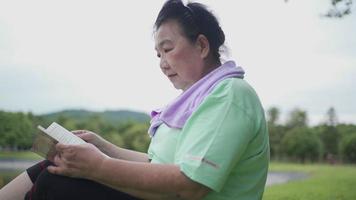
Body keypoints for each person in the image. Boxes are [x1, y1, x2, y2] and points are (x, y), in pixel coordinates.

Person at [0, 0, 269, 199]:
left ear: (201, 45)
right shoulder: (196, 100)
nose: (163, 63)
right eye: (158, 55)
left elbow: (191, 184)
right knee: (54, 164)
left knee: (54, 183)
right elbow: (158, 165)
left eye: (168, 49)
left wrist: (99, 166)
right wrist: (103, 147)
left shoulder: (229, 95)